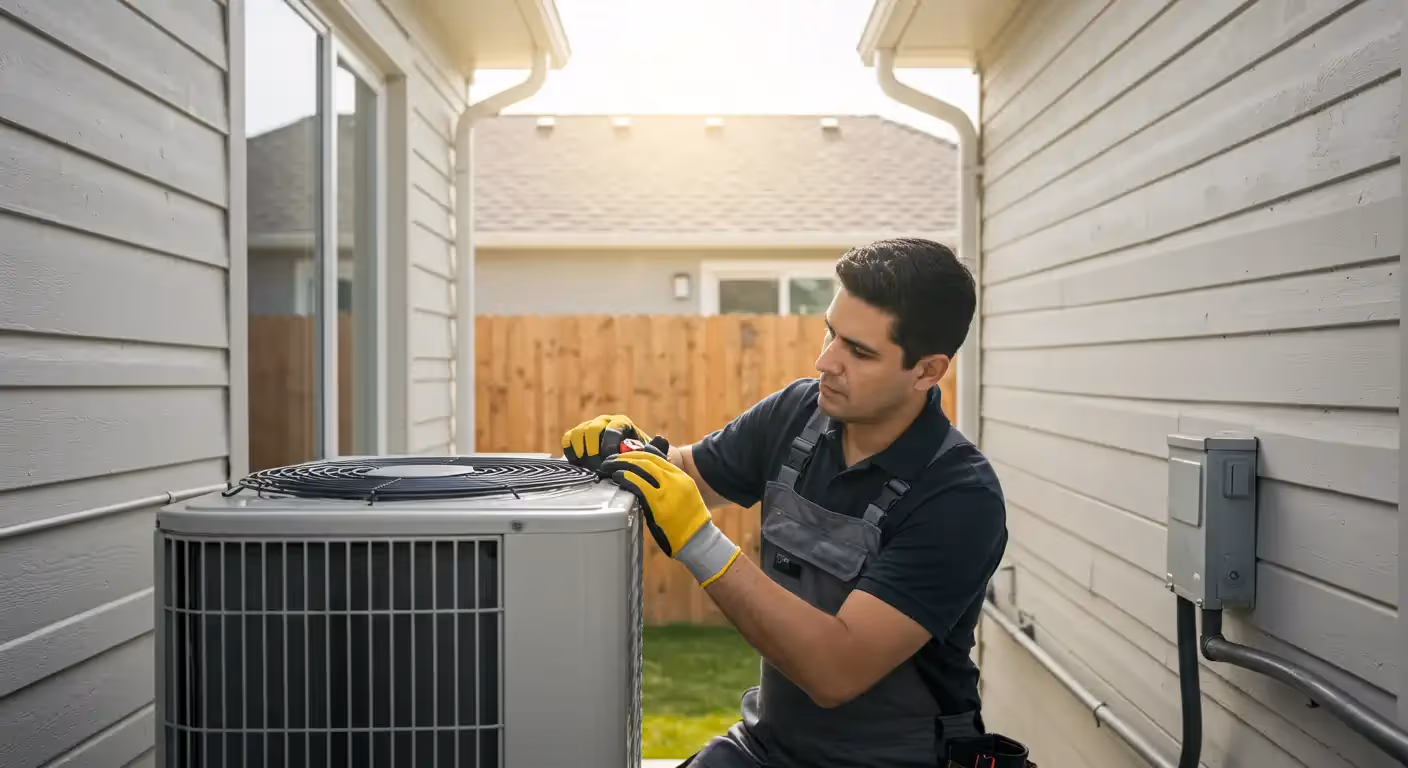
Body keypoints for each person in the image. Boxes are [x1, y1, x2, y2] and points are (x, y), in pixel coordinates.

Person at [561, 238, 1022, 767]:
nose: (826, 361)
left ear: (927, 371)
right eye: (831, 332)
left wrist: (698, 542)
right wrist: (632, 453)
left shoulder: (960, 498)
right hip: (769, 748)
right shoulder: (798, 413)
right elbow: (686, 475)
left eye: (859, 351)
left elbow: (836, 670)